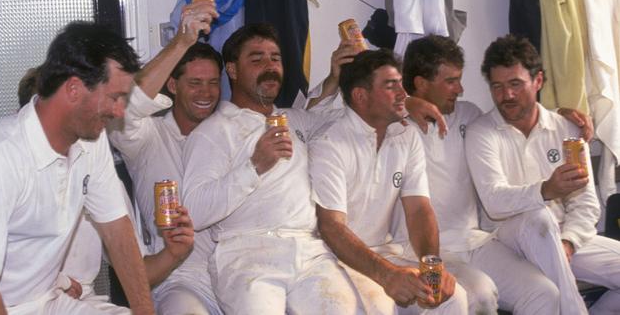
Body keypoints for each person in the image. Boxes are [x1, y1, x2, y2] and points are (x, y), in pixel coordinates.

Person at [0, 21, 154, 314]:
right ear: (73, 89)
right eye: (115, 97)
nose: (120, 111)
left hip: (49, 302)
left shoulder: (92, 141)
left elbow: (117, 231)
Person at [180, 23, 364, 314]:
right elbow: (194, 212)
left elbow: (352, 120)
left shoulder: (296, 120)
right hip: (246, 255)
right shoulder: (214, 131)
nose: (269, 67)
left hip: (310, 251)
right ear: (232, 70)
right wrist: (254, 167)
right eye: (256, 60)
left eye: (275, 59)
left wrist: (340, 77)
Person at [401, 34, 573, 314]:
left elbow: (517, 113)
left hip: (474, 241)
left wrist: (566, 115)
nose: (460, 88)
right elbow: (341, 110)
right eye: (451, 81)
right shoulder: (393, 125)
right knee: (480, 296)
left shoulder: (469, 115)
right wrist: (406, 102)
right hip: (418, 251)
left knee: (545, 294)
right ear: (421, 83)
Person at [465, 34, 620, 315]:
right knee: (537, 217)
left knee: (548, 225)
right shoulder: (481, 132)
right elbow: (495, 202)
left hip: (558, 236)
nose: (507, 95)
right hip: (506, 242)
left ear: (538, 81)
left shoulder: (567, 129)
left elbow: (586, 203)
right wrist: (547, 190)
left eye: (515, 84)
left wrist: (568, 242)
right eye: (497, 87)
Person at [309, 49, 468, 315]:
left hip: (383, 253)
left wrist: (432, 266)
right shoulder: (330, 143)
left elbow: (419, 210)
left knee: (453, 298)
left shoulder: (407, 136)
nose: (403, 95)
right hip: (334, 258)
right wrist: (388, 275)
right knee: (381, 307)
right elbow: (332, 228)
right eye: (390, 86)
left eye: (401, 85)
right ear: (360, 96)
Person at [108, 1, 225, 314]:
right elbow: (127, 104)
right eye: (195, 83)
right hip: (180, 278)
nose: (206, 93)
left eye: (213, 83)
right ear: (173, 85)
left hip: (239, 270)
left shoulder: (230, 131)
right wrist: (182, 41)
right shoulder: (146, 136)